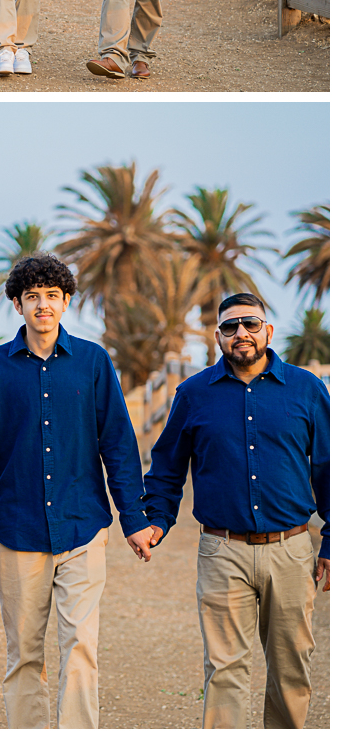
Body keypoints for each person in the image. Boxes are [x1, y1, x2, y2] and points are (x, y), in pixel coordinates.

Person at [0, 254, 157, 729]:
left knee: (81, 645)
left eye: (52, 296)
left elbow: (118, 445)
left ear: (65, 303)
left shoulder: (94, 363)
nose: (43, 305)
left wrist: (135, 521)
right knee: (25, 654)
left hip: (83, 527)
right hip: (18, 532)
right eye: (33, 296)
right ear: (17, 304)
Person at [143, 292, 330, 729]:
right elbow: (167, 465)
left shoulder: (307, 389)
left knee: (291, 669)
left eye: (249, 324)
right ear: (218, 337)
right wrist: (155, 521)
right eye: (230, 327)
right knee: (225, 670)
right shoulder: (193, 394)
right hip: (221, 551)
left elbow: (328, 467)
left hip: (292, 549)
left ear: (267, 330)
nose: (240, 333)